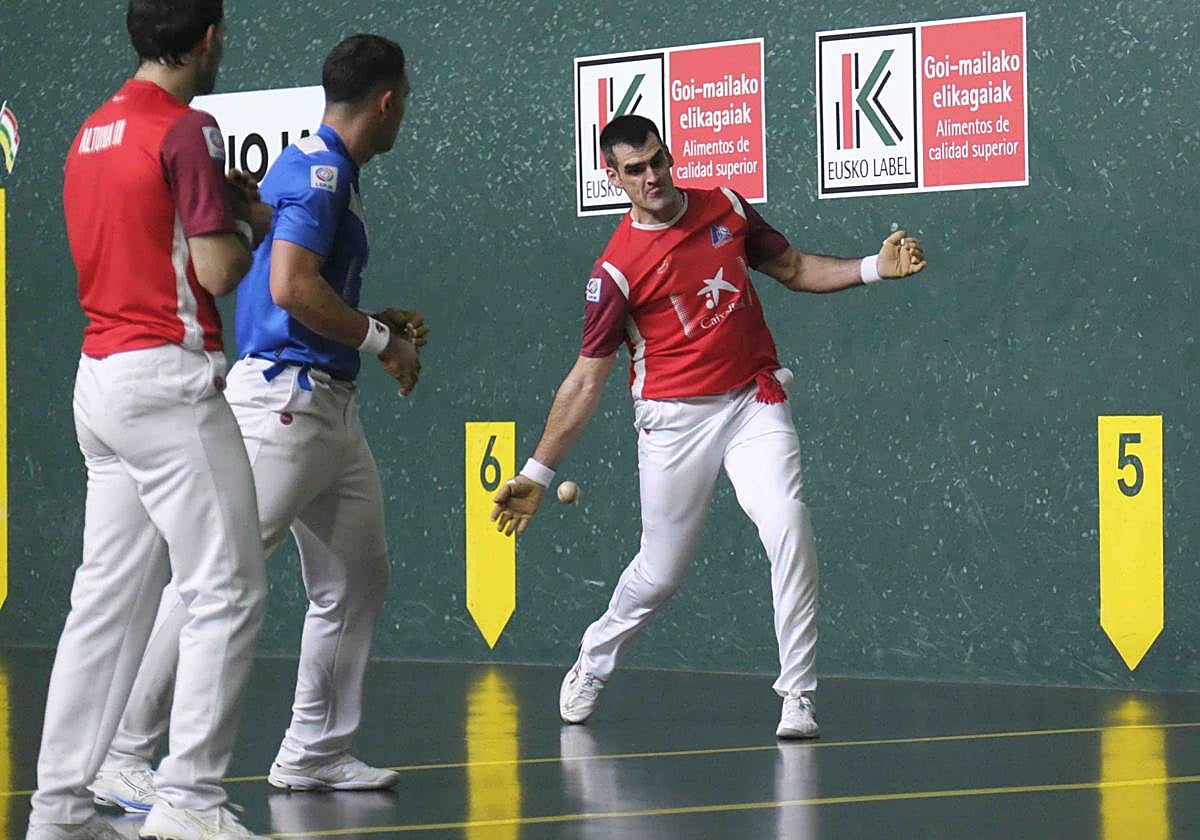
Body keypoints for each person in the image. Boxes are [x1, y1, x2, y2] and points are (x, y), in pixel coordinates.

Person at [491, 115, 926, 740]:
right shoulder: (615, 272)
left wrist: (873, 267)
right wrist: (537, 472)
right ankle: (594, 658)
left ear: (669, 156)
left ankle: (798, 695)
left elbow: (794, 267)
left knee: (787, 521)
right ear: (614, 179)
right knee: (661, 573)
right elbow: (586, 380)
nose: (652, 177)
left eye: (657, 161)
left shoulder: (725, 206)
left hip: (753, 398)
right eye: (635, 170)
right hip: (674, 422)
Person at [88, 33, 424, 812]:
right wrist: (384, 342)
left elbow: (296, 268)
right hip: (283, 407)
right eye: (405, 100)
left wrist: (369, 320)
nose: (404, 112)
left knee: (357, 577)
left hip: (327, 412)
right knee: (211, 579)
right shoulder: (321, 172)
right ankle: (123, 753)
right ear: (386, 102)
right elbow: (291, 288)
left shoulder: (311, 169)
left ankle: (315, 751)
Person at [28, 2, 273, 839]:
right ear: (207, 39)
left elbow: (146, 233)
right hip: (167, 384)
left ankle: (59, 811)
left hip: (99, 384)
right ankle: (189, 800)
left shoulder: (89, 133)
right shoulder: (187, 129)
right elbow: (218, 268)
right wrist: (246, 224)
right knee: (226, 591)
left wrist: (222, 212)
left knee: (103, 606)